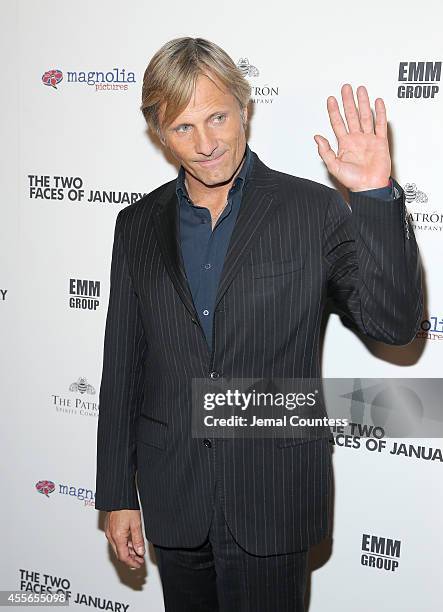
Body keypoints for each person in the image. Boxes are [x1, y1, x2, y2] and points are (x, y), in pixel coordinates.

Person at [95, 37, 423, 612]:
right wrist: (117, 493)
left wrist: (373, 195)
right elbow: (123, 364)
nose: (206, 144)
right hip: (175, 491)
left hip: (273, 489)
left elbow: (395, 325)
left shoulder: (311, 211)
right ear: (158, 133)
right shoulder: (137, 225)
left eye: (218, 116)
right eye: (183, 128)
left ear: (244, 107)